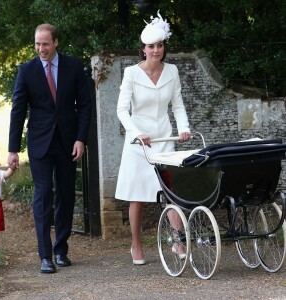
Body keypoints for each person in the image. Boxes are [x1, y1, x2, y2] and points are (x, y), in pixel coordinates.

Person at [8, 24, 92, 274]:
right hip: (39, 143)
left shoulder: (73, 66)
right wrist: (13, 149)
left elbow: (85, 106)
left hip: (68, 142)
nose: (40, 49)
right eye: (37, 44)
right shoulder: (27, 70)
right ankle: (45, 256)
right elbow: (18, 110)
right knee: (43, 195)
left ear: (56, 42)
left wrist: (81, 139)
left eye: (45, 44)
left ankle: (61, 249)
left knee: (65, 195)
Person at [115, 10, 191, 265]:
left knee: (171, 192)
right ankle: (136, 245)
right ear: (143, 49)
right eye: (151, 46)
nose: (156, 50)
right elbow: (122, 110)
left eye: (160, 46)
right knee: (137, 196)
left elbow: (177, 105)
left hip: (164, 139)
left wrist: (183, 128)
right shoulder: (131, 74)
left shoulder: (172, 71)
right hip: (139, 142)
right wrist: (136, 134)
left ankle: (178, 240)